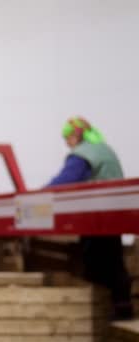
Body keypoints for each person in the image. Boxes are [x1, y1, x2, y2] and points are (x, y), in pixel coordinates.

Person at [47, 116, 133, 320]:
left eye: (67, 138)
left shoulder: (83, 154)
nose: (67, 144)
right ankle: (123, 306)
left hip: (97, 218)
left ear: (76, 135)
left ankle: (99, 314)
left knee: (95, 262)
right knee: (114, 260)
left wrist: (39, 195)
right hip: (113, 215)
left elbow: (64, 181)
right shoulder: (104, 149)